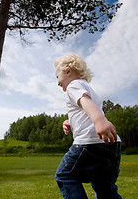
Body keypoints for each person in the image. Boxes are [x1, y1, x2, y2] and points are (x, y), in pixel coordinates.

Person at [54, 54, 122, 199]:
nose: (58, 83)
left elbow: (84, 102)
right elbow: (86, 110)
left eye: (57, 76)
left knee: (65, 175)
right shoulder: (87, 89)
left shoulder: (73, 85)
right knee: (105, 188)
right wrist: (71, 121)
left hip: (89, 144)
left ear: (68, 71)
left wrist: (99, 121)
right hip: (111, 146)